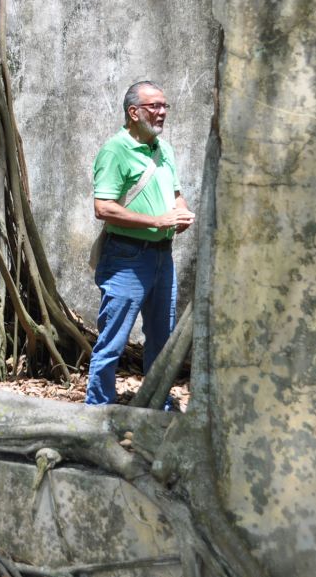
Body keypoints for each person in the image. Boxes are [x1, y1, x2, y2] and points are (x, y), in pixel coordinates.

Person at [86, 81, 195, 406]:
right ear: (133, 112)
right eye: (154, 106)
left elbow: (175, 194)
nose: (162, 112)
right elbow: (103, 207)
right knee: (113, 339)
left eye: (165, 106)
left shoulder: (164, 149)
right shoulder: (115, 150)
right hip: (127, 257)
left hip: (163, 256)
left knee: (162, 339)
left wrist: (182, 212)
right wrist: (156, 221)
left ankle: (156, 407)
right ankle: (97, 410)